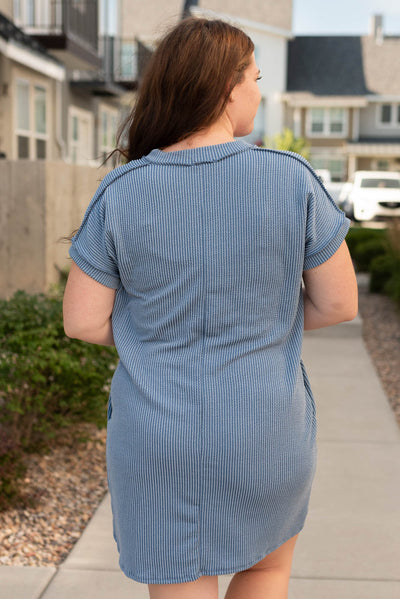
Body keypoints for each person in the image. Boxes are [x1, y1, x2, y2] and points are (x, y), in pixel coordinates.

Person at [63, 17, 358, 599]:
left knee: (179, 579)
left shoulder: (121, 191)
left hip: (157, 431)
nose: (258, 91)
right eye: (255, 78)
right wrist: (262, 327)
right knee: (264, 571)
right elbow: (339, 303)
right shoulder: (290, 179)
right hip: (263, 427)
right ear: (227, 87)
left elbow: (83, 321)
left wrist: (162, 338)